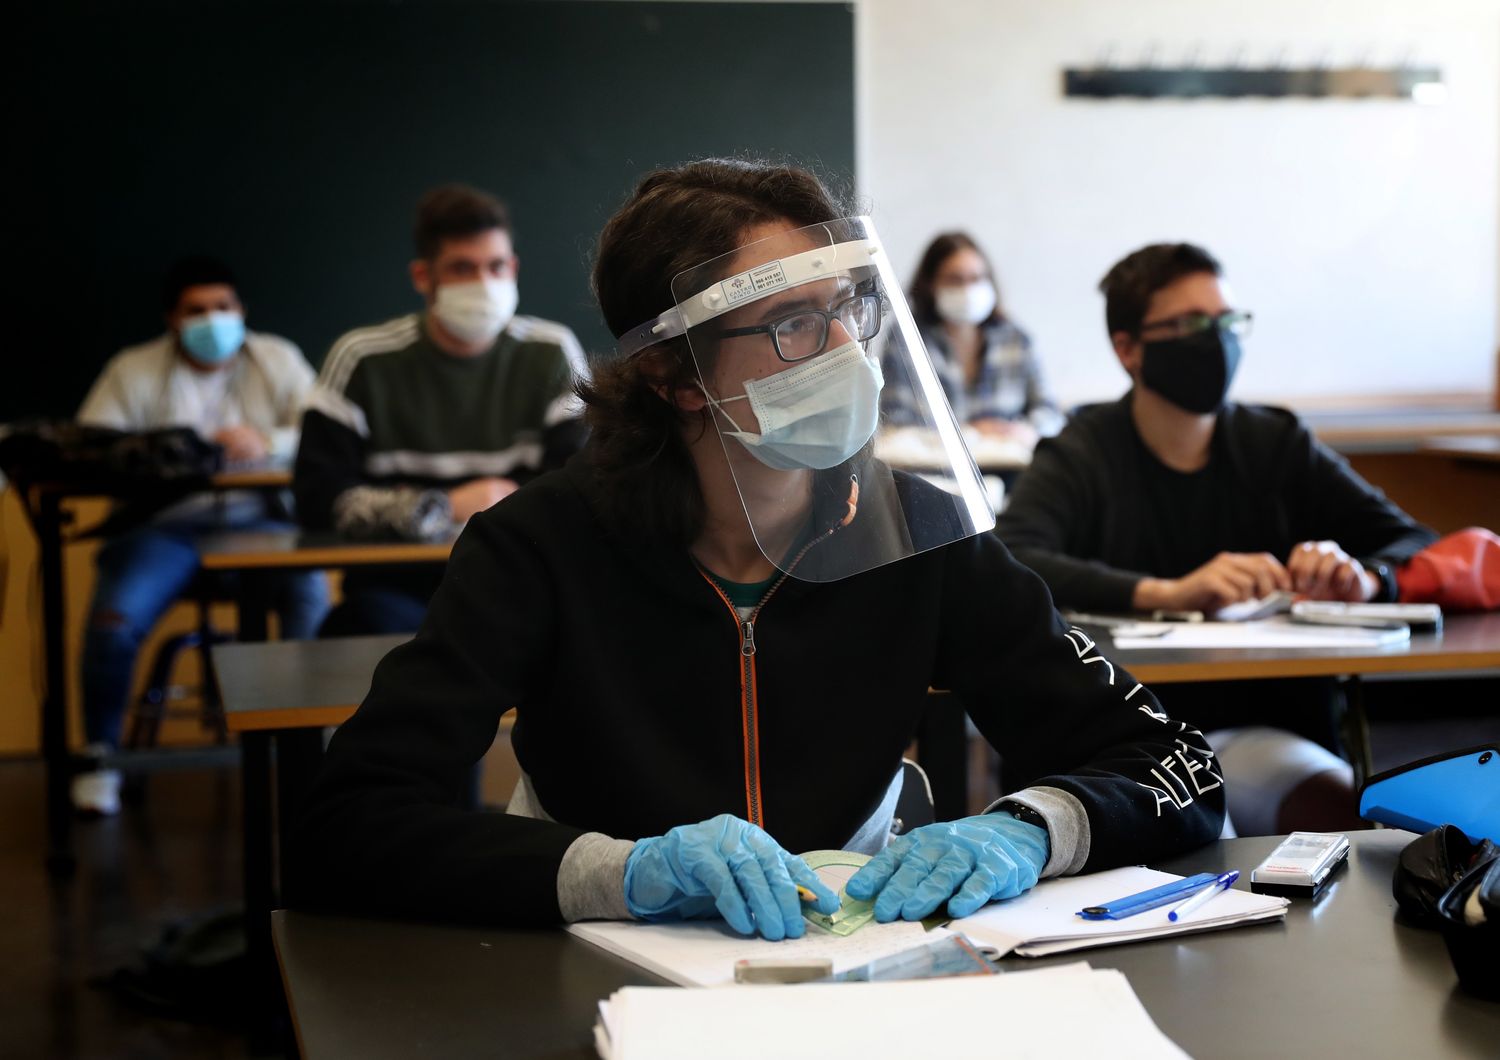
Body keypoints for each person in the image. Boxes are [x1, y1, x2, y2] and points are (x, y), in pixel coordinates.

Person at [287, 160, 1222, 939]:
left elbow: (1178, 767)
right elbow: (350, 822)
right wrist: (623, 873)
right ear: (672, 374)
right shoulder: (539, 546)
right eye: (792, 326)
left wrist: (1030, 828)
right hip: (601, 969)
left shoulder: (917, 533)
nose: (845, 354)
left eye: (848, 310)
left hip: (855, 963)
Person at [995, 242, 1437, 835]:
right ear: (1128, 349)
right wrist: (1168, 591)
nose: (1217, 340)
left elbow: (1416, 543)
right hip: (1125, 743)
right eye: (1191, 325)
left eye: (1228, 322)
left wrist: (1365, 577)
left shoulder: (1276, 444)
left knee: (1351, 815)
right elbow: (1013, 558)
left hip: (1261, 729)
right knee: (1198, 838)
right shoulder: (1083, 451)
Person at [74, 255, 328, 815]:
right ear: (172, 318)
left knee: (309, 586)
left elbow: (320, 428)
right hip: (166, 529)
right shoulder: (132, 370)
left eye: (224, 307)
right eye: (197, 310)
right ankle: (99, 761)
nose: (213, 319)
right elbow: (95, 445)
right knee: (114, 622)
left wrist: (264, 440)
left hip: (261, 523)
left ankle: (308, 753)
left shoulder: (277, 358)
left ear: (241, 311)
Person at [294, 184, 589, 636]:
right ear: (422, 277)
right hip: (396, 590)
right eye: (461, 269)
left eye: (495, 266)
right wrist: (442, 507)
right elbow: (317, 496)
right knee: (358, 633)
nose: (484, 283)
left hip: (519, 578)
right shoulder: (362, 358)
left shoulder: (551, 351)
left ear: (513, 269)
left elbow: (582, 482)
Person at [881, 231, 1061, 446]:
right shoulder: (905, 341)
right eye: (955, 279)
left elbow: (1049, 413)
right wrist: (970, 433)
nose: (967, 289)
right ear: (930, 285)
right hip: (937, 471)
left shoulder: (1016, 339)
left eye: (976, 278)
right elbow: (895, 425)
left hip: (1010, 468)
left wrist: (1022, 430)